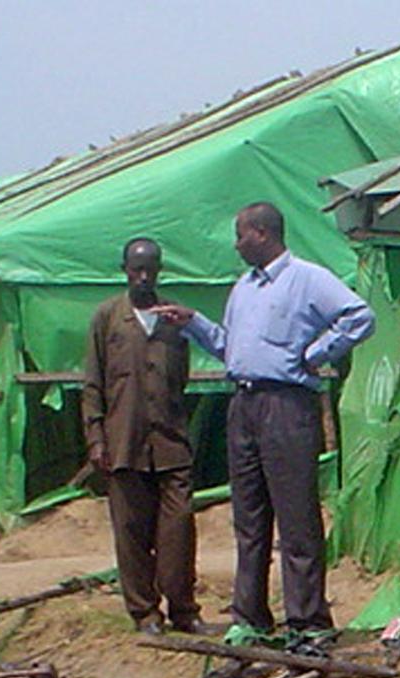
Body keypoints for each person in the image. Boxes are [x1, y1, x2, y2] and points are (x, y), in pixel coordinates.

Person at [153, 203, 374, 634]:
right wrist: (193, 322)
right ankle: (250, 617)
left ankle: (307, 622)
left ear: (261, 233)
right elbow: (229, 347)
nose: (236, 245)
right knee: (249, 519)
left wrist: (315, 355)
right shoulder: (244, 288)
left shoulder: (307, 278)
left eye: (240, 235)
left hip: (287, 405)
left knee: (296, 519)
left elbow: (359, 316)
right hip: (245, 405)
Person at [82, 238, 213, 635]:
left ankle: (184, 609)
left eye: (150, 269)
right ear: (124, 269)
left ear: (159, 270)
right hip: (123, 444)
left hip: (170, 443)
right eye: (136, 269)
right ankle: (144, 613)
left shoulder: (173, 319)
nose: (143, 277)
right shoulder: (107, 318)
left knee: (178, 528)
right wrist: (97, 439)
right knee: (131, 532)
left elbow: (182, 379)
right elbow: (92, 384)